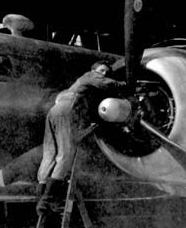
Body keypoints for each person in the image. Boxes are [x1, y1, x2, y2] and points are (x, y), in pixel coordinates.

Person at [36, 60, 125, 216]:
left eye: (107, 72)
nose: (104, 74)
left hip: (55, 111)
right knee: (66, 155)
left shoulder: (84, 87)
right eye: (102, 70)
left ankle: (42, 200)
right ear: (94, 70)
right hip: (67, 110)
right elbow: (107, 84)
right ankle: (47, 200)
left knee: (50, 155)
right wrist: (126, 85)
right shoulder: (90, 76)